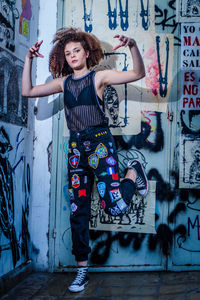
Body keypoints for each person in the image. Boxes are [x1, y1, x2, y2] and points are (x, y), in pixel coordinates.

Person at [22, 27, 148, 293]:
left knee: (114, 206)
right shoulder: (63, 83)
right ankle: (82, 272)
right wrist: (29, 59)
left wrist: (134, 46)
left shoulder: (99, 77)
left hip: (101, 144)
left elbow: (138, 73)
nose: (72, 56)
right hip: (77, 149)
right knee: (78, 211)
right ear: (63, 57)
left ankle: (134, 172)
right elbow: (28, 91)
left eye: (76, 50)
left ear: (87, 52)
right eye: (67, 53)